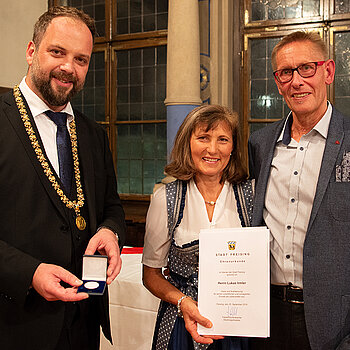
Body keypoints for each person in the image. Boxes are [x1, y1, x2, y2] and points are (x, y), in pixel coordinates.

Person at [0, 6, 126, 350]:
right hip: (15, 325)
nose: (69, 67)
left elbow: (112, 207)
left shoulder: (93, 135)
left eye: (81, 59)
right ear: (30, 51)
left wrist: (109, 232)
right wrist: (28, 273)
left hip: (83, 326)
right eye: (57, 52)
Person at [248, 31, 350, 349]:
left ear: (328, 72)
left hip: (333, 322)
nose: (297, 81)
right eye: (285, 72)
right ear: (278, 82)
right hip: (266, 314)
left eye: (306, 68)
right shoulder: (260, 144)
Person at [142, 104, 253, 350]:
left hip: (237, 329)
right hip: (182, 324)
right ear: (187, 143)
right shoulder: (167, 199)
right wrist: (182, 302)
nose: (212, 149)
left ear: (233, 147)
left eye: (223, 139)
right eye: (203, 137)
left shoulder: (250, 195)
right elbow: (150, 275)